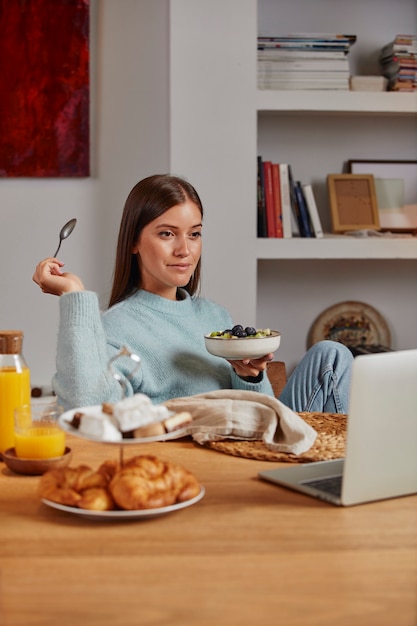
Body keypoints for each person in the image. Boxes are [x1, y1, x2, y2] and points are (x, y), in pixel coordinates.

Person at [33, 174, 353, 413]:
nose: (184, 249)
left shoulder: (215, 316)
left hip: (246, 441)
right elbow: (86, 407)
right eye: (167, 234)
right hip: (193, 458)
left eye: (194, 234)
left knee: (331, 355)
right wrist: (73, 295)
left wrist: (250, 376)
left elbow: (262, 414)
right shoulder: (115, 328)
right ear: (134, 241)